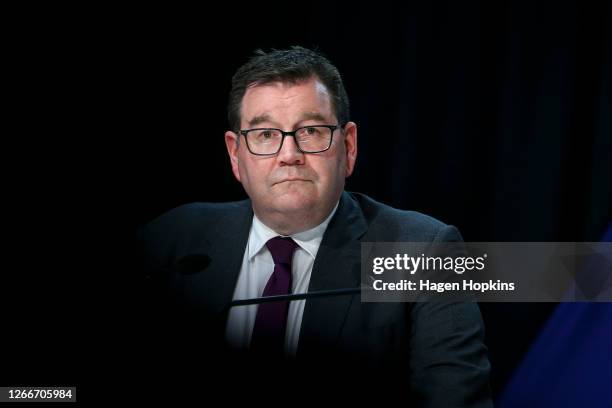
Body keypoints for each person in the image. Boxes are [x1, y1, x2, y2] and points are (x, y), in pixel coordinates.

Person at [138, 46, 492, 406]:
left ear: (349, 146)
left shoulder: (423, 253)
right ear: (235, 155)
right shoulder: (171, 242)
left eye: (310, 131)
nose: (289, 154)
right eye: (265, 135)